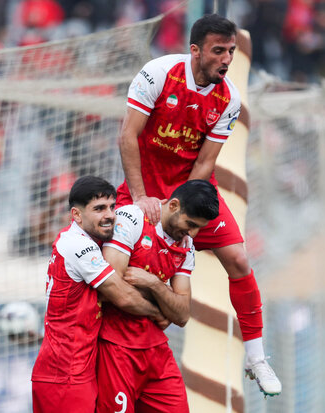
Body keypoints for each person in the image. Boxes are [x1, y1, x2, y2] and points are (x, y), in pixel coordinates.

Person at [117, 13, 281, 396]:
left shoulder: (229, 99)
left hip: (192, 190)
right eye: (218, 51)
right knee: (128, 271)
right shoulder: (157, 74)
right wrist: (142, 198)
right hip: (143, 191)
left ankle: (255, 356)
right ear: (195, 51)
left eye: (231, 52)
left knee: (239, 260)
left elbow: (206, 163)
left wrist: (184, 215)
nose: (226, 59)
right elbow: (128, 136)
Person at [31, 175, 168, 413]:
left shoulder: (79, 240)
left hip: (71, 372)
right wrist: (159, 312)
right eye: (99, 209)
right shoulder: (77, 245)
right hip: (64, 374)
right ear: (76, 215)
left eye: (112, 206)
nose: (110, 215)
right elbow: (122, 295)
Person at [97, 179, 218, 412]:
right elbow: (112, 289)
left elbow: (182, 315)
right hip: (116, 345)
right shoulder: (131, 218)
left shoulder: (186, 245)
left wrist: (153, 284)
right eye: (190, 223)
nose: (192, 233)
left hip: (156, 348)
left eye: (198, 228)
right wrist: (161, 307)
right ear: (173, 205)